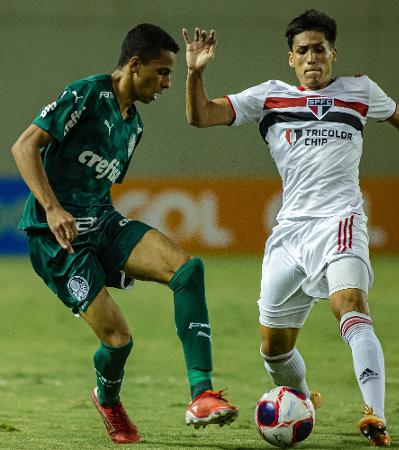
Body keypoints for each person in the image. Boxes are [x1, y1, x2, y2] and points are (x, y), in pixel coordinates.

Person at [182, 9, 399, 447]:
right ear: (291, 58)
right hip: (290, 235)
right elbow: (200, 117)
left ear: (333, 53)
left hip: (340, 222)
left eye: (319, 49)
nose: (312, 58)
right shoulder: (269, 96)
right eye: (302, 50)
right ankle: (303, 401)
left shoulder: (360, 91)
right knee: (274, 349)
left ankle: (374, 416)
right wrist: (195, 74)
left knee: (350, 306)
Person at [11, 23, 238, 445]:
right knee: (118, 341)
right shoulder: (87, 94)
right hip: (56, 239)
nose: (167, 83)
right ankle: (108, 399)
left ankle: (202, 394)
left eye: (171, 74)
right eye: (162, 72)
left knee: (187, 271)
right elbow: (24, 147)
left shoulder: (134, 127)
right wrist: (53, 207)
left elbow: (96, 188)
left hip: (102, 223)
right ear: (134, 65)